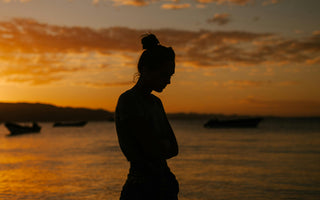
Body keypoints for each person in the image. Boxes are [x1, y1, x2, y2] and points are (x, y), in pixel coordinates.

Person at [115, 34, 179, 200]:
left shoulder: (156, 103)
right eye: (164, 75)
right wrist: (160, 144)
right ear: (145, 69)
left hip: (164, 185)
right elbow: (150, 149)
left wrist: (159, 145)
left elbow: (174, 148)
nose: (168, 81)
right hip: (141, 189)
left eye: (170, 76)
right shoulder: (128, 101)